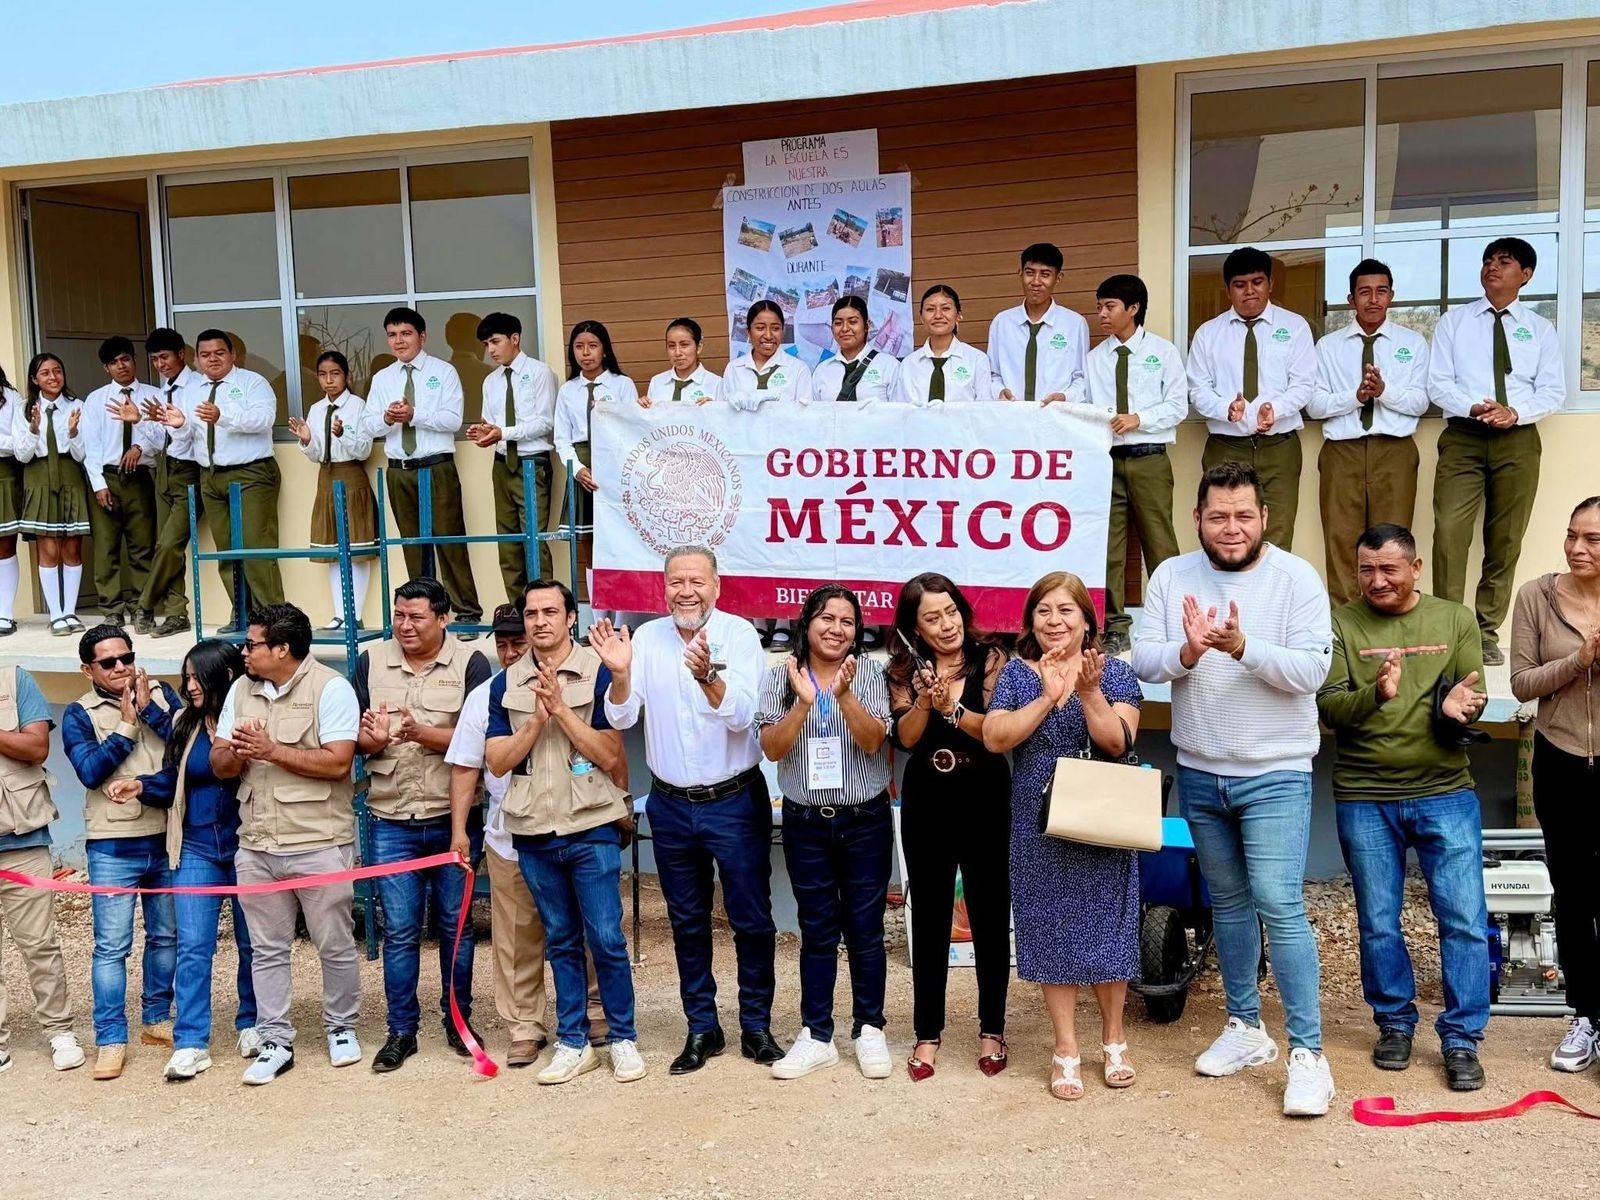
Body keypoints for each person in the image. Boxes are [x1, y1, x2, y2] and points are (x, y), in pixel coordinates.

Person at [1131, 461, 1335, 1117]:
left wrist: (1243, 646)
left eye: (1244, 514)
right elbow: (1144, 660)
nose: (1232, 527)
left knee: (1279, 903)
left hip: (1275, 772)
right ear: (1197, 519)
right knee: (1228, 904)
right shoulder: (1171, 576)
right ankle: (1246, 1026)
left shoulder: (1297, 578)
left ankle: (1309, 1055)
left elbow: (1312, 670)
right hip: (1200, 767)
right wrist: (1188, 652)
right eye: (1218, 515)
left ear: (1264, 517)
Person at [590, 545, 784, 1074]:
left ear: (716, 586)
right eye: (676, 581)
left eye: (697, 581)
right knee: (687, 921)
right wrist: (621, 675)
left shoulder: (739, 635)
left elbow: (744, 716)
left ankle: (756, 1026)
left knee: (752, 919)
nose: (686, 591)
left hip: (734, 801)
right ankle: (702, 1027)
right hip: (672, 804)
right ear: (664, 587)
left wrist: (707, 678)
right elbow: (621, 716)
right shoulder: (646, 639)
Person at [1316, 524, 1489, 1091]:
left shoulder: (1455, 619)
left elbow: (1471, 693)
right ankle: (1394, 1023)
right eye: (1367, 569)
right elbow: (1329, 707)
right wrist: (1377, 694)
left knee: (1463, 919)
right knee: (1378, 921)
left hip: (1446, 790)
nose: (1377, 580)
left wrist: (1460, 708)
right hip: (1365, 794)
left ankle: (1462, 1038)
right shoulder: (1342, 621)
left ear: (1416, 568)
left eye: (1389, 569)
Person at [985, 572, 1143, 1099]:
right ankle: (1066, 1048)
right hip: (1038, 823)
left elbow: (1117, 742)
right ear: (1030, 620)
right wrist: (1046, 699)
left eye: (1066, 610)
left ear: (1087, 620)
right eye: (1044, 611)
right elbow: (995, 737)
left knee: (1108, 927)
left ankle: (1114, 1039)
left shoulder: (1114, 673)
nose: (1054, 621)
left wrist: (1088, 693)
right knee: (1051, 929)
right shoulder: (1017, 674)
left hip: (1102, 819)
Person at [485, 579, 642, 1086]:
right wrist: (535, 721)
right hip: (533, 830)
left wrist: (562, 713)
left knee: (606, 937)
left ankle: (623, 1038)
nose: (540, 622)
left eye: (550, 612)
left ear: (571, 618)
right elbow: (497, 760)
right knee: (561, 940)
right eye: (532, 614)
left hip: (590, 823)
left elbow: (610, 753)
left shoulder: (599, 670)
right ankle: (573, 1042)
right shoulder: (505, 682)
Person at [447, 603, 613, 1068]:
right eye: (501, 644)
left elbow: (611, 751)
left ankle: (594, 1010)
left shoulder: (587, 679)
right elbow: (467, 766)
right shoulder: (488, 694)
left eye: (516, 642)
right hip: (510, 835)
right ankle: (525, 1025)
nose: (509, 652)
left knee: (588, 928)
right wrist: (460, 831)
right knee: (518, 938)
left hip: (575, 826)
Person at [212, 603, 362, 1085]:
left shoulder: (331, 688)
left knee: (334, 944)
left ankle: (341, 1027)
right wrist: (237, 753)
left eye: (252, 644)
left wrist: (271, 750)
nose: (244, 652)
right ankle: (275, 1040)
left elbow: (339, 763)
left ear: (282, 649)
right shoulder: (241, 689)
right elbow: (219, 763)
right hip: (256, 844)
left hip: (319, 841)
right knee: (266, 949)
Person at [755, 585, 894, 1081]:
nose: (837, 629)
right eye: (826, 618)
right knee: (816, 930)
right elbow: (772, 748)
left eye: (847, 621)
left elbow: (874, 740)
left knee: (865, 929)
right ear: (806, 623)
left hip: (865, 820)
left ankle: (869, 1028)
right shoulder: (782, 675)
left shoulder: (870, 673)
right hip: (807, 822)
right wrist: (803, 703)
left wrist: (845, 696)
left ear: (857, 631)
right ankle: (817, 1035)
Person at [353, 578, 491, 1072]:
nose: (405, 626)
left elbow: (478, 736)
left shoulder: (471, 663)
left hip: (453, 818)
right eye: (398, 616)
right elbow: (355, 739)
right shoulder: (370, 661)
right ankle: (401, 1031)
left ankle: (458, 1021)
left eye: (416, 617)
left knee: (456, 927)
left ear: (443, 618)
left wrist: (420, 732)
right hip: (392, 818)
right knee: (400, 930)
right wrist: (372, 740)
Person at [113, 640, 259, 1081]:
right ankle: (191, 1042)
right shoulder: (184, 722)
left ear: (225, 676)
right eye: (187, 677)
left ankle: (252, 1024)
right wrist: (141, 785)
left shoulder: (251, 719)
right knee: (194, 947)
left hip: (249, 844)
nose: (190, 686)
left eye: (198, 677)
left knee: (254, 943)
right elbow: (174, 778)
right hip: (195, 847)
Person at [886, 572, 1011, 1082]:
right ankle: (926, 1032)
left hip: (985, 794)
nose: (946, 625)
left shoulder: (990, 659)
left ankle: (992, 1029)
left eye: (951, 612)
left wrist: (951, 708)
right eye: (932, 618)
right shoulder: (903, 671)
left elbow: (996, 731)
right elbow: (906, 739)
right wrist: (923, 701)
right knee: (931, 915)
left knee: (989, 912)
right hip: (928, 797)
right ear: (915, 629)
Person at [1429, 237, 1565, 666]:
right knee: (1449, 531)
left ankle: (1485, 631)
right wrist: (1475, 407)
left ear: (1525, 275)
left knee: (1505, 538)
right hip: (1464, 435)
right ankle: (1450, 630)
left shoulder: (1539, 329)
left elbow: (1553, 391)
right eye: (1488, 260)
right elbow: (1437, 383)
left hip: (1518, 439)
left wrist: (1515, 413)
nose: (1492, 266)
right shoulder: (1454, 322)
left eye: (1504, 261)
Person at [61, 624, 179, 1081]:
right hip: (113, 845)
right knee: (112, 947)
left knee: (166, 936)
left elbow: (187, 754)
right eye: (108, 662)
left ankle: (156, 1019)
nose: (121, 668)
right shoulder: (78, 713)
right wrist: (128, 725)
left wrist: (150, 712)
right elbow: (90, 772)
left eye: (126, 658)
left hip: (167, 836)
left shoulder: (162, 696)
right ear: (87, 669)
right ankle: (110, 1037)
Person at [1510, 496, 1600, 1073]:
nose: (1577, 548)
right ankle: (1585, 1014)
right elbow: (1522, 683)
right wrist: (1578, 661)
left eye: (1592, 539)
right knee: (1571, 892)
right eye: (1572, 535)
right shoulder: (1536, 597)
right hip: (1560, 758)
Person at [1307, 260, 1430, 607]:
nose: (1373, 299)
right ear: (1351, 299)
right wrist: (1356, 397)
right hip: (1342, 451)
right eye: (1365, 292)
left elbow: (1421, 402)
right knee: (1341, 540)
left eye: (1381, 291)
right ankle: (1346, 620)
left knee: (1391, 543)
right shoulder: (1328, 347)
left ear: (1391, 296)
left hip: (1395, 451)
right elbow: (1314, 405)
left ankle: (1390, 616)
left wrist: (1384, 392)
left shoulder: (1413, 343)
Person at [149, 329, 284, 630]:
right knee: (228, 553)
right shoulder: (194, 390)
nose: (212, 359)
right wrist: (180, 424)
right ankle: (242, 616)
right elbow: (189, 436)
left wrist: (222, 416)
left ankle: (273, 621)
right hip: (210, 476)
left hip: (251, 473)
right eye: (205, 355)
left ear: (232, 354)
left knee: (256, 551)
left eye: (219, 353)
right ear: (196, 359)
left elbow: (264, 419)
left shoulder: (252, 382)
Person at [1186, 246, 1316, 550]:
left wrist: (1276, 409)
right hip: (1226, 446)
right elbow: (1197, 389)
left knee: (1278, 533)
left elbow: (1304, 384)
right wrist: (1226, 409)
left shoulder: (1295, 327)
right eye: (1240, 285)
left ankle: (1269, 586)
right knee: (1224, 532)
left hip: (1279, 446)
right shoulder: (1208, 333)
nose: (1249, 291)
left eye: (1257, 282)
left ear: (1270, 284)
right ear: (1228, 290)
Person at [364, 306, 482, 633]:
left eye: (406, 334)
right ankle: (421, 613)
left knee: (449, 541)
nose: (399, 341)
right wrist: (387, 418)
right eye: (392, 335)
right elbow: (368, 424)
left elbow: (453, 420)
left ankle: (467, 613)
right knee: (412, 545)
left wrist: (414, 414)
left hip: (436, 466)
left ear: (422, 337)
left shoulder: (443, 372)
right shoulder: (383, 378)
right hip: (399, 470)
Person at [1085, 274, 1186, 655]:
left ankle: (1173, 619)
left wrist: (1138, 419)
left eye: (1109, 306)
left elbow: (1178, 406)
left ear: (1133, 308)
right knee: (1108, 549)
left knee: (1159, 542)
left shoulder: (1163, 352)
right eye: (1099, 307)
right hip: (1107, 461)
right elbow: (1086, 406)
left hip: (1150, 459)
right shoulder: (1095, 358)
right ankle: (1114, 625)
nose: (1102, 314)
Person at [0, 663, 86, 1073]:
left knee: (40, 945)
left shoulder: (12, 679)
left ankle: (59, 1030)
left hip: (21, 840)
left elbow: (36, 748)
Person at [467, 311, 558, 604]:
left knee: (534, 541)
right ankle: (518, 611)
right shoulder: (490, 381)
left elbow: (545, 422)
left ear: (515, 339)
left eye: (495, 342)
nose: (490, 350)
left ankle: (543, 606)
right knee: (507, 543)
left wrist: (502, 432)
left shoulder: (540, 373)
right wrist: (483, 433)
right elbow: (491, 422)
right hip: (501, 464)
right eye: (486, 345)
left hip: (531, 463)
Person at [287, 350, 377, 631]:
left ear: (347, 376)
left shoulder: (358, 406)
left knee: (357, 549)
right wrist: (307, 440)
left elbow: (364, 450)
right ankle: (340, 614)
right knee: (333, 550)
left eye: (335, 374)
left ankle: (354, 614)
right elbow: (316, 454)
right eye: (323, 375)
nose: (329, 380)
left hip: (351, 476)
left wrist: (343, 435)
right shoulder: (316, 409)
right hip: (325, 478)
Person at [553, 320, 638, 609]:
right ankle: (599, 613)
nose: (586, 353)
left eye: (592, 346)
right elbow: (561, 439)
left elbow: (633, 428)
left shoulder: (622, 384)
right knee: (589, 545)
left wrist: (616, 468)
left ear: (604, 349)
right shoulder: (568, 390)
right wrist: (577, 470)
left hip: (615, 465)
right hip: (583, 467)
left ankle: (623, 614)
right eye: (579, 347)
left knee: (619, 539)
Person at [84, 336, 163, 630]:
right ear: (106, 368)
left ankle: (142, 607)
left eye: (126, 359)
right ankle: (111, 609)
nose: (121, 366)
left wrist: (141, 447)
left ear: (134, 360)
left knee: (142, 546)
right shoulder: (96, 399)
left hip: (139, 477)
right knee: (106, 548)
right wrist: (98, 485)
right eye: (114, 362)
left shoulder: (154, 396)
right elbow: (90, 447)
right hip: (106, 476)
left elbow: (163, 437)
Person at [12, 352, 88, 634]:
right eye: (45, 373)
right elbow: (22, 455)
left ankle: (70, 612)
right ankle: (56, 615)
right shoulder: (24, 408)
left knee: (72, 547)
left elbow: (82, 454)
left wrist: (74, 433)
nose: (53, 377)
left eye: (57, 371)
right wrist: (33, 430)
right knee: (48, 548)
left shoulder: (77, 405)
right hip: (39, 475)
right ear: (35, 379)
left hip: (70, 474)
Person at [138, 328, 203, 638]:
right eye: (154, 359)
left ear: (181, 354)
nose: (160, 364)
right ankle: (177, 613)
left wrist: (176, 423)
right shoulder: (162, 390)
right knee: (166, 545)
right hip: (166, 468)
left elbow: (193, 434)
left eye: (164, 357)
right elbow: (158, 440)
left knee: (169, 544)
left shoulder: (198, 386)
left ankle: (145, 603)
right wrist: (140, 421)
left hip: (191, 470)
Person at [988, 242, 1088, 405]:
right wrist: (999, 391)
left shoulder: (1075, 324)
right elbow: (993, 374)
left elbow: (1082, 378)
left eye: (1045, 274)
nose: (1036, 281)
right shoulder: (1002, 322)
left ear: (1058, 278)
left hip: (1055, 415)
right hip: (1011, 414)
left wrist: (1065, 396)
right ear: (1020, 273)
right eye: (1030, 273)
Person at [895, 286, 995, 405]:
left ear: (958, 315)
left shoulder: (977, 359)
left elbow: (985, 408)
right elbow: (900, 410)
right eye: (930, 309)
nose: (938, 315)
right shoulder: (908, 364)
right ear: (921, 317)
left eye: (946, 308)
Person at [720, 300, 813, 409]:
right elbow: (723, 412)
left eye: (775, 328)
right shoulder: (733, 369)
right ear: (748, 332)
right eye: (760, 328)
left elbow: (805, 414)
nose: (768, 336)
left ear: (783, 332)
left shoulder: (798, 369)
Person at [810, 297, 900, 405]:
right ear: (832, 328)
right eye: (838, 323)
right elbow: (815, 413)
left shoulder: (889, 366)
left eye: (852, 322)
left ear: (867, 326)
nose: (845, 329)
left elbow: (900, 411)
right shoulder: (822, 371)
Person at [643, 318, 719, 407]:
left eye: (684, 345)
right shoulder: (657, 382)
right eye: (671, 346)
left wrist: (714, 409)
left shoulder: (716, 383)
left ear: (698, 348)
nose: (677, 353)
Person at [0, 361, 23, 637]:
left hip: (5, 472)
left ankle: (5, 613)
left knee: (5, 545)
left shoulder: (12, 398)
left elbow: (19, 441)